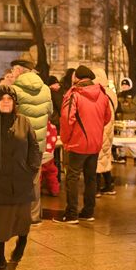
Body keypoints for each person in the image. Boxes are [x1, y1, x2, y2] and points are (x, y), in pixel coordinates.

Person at [0, 85, 41, 270]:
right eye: (2, 99)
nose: (5, 102)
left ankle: (22, 241)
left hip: (20, 180)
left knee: (22, 220)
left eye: (9, 99)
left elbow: (34, 147)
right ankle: (0, 256)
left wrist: (32, 168)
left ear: (14, 103)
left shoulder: (23, 122)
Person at [53, 65, 111, 224]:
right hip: (95, 143)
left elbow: (66, 119)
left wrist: (65, 139)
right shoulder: (102, 94)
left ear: (76, 77)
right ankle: (88, 212)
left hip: (78, 143)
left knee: (72, 177)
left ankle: (71, 214)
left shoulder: (74, 94)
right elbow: (107, 117)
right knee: (91, 178)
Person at [10, 59, 53, 225]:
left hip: (18, 143)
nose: (12, 74)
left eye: (13, 71)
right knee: (34, 180)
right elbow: (49, 112)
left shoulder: (14, 90)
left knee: (16, 179)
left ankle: (18, 216)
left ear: (20, 71)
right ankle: (34, 217)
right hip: (38, 143)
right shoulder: (45, 89)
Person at [92, 67, 117, 196]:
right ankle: (109, 185)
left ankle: (96, 189)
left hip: (100, 128)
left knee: (97, 158)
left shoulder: (99, 93)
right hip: (109, 129)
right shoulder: (111, 93)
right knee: (106, 157)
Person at [115, 77, 136, 164]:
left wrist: (121, 106)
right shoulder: (119, 95)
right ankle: (122, 156)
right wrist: (124, 105)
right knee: (121, 140)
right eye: (123, 84)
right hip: (120, 120)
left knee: (130, 140)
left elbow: (132, 108)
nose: (124, 86)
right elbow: (116, 106)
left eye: (126, 84)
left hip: (130, 121)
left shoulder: (133, 95)